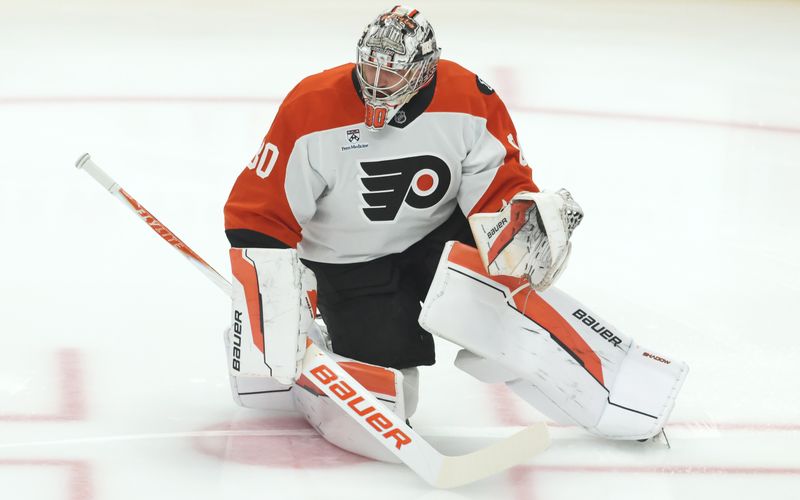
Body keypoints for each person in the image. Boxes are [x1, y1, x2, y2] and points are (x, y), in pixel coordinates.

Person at [222, 5, 688, 462]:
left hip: (436, 242)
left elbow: (498, 186)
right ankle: (306, 373)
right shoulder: (312, 104)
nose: (378, 82)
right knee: (395, 395)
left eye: (393, 72)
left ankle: (621, 394)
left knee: (509, 322)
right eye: (371, 67)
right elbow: (260, 212)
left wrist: (522, 223)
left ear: (426, 69)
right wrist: (272, 293)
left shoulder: (467, 96)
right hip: (348, 262)